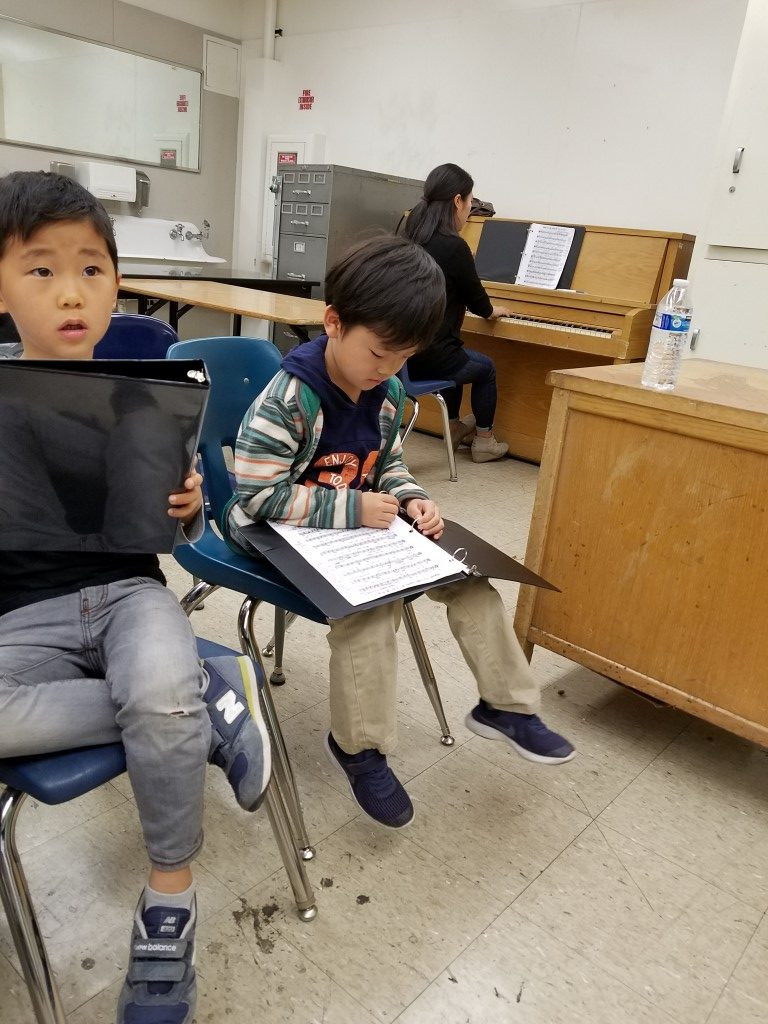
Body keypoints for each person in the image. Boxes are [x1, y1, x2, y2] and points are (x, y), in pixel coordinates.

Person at [0, 170, 271, 1024]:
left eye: (91, 269)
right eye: (41, 270)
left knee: (156, 684)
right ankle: (202, 697)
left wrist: (188, 512)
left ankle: (169, 904)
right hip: (21, 616)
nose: (70, 293)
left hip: (129, 597)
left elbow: (178, 540)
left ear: (116, 284)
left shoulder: (145, 397)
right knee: (159, 702)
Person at [226, 234, 574, 832]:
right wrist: (355, 509)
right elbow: (255, 497)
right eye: (379, 353)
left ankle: (506, 706)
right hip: (276, 533)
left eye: (403, 358)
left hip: (352, 528)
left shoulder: (385, 391)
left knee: (469, 581)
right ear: (334, 323)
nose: (389, 371)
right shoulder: (288, 398)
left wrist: (411, 496)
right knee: (371, 611)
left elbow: (385, 463)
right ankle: (359, 749)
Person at [403, 162, 510, 463]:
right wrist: (495, 310)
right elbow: (480, 304)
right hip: (432, 358)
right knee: (485, 367)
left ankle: (454, 426)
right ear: (457, 200)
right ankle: (484, 441)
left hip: (403, 355)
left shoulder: (411, 236)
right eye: (470, 203)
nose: (470, 212)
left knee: (457, 351)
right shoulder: (454, 247)